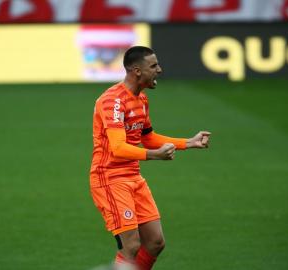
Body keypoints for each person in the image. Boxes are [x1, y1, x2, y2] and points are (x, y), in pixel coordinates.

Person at [90, 46, 211, 270]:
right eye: (154, 66)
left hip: (133, 177)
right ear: (137, 71)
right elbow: (117, 147)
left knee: (155, 242)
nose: (160, 70)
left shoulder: (141, 100)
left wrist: (188, 143)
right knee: (131, 246)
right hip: (110, 179)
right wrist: (154, 156)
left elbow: (148, 137)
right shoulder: (112, 101)